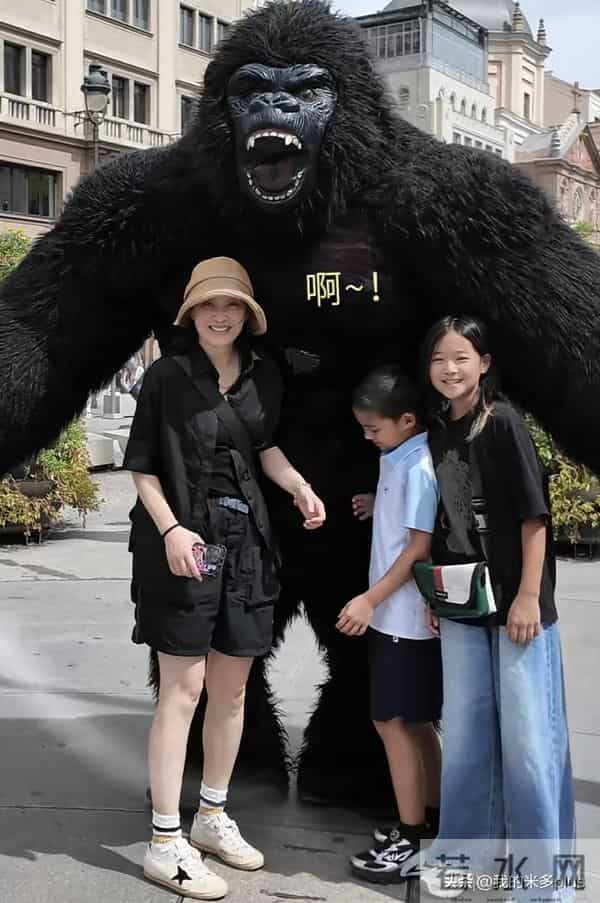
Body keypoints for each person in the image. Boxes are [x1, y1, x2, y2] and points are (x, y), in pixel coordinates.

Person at [123, 256, 326, 899]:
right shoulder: (166, 376)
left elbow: (261, 446)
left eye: (231, 304)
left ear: (247, 314)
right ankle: (163, 840)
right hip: (184, 542)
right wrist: (171, 531)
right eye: (209, 304)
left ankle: (211, 816)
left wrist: (298, 487)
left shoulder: (264, 376)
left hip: (247, 544)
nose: (220, 314)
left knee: (232, 691)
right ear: (192, 313)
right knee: (181, 692)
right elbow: (142, 465)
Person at [419, 316, 575, 902]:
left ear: (483, 364)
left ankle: (542, 884)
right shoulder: (438, 430)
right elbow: (444, 520)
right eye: (439, 359)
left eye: (461, 357)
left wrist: (529, 596)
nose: (450, 369)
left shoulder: (503, 422)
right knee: (466, 737)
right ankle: (465, 857)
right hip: (463, 604)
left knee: (530, 743)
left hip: (518, 607)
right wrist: (436, 595)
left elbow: (535, 518)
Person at [335, 365, 442, 884]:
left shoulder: (416, 466)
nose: (367, 437)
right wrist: (381, 505)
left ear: (407, 420)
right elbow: (411, 520)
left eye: (373, 429)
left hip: (399, 618)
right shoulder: (401, 457)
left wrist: (369, 601)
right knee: (416, 722)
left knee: (391, 722)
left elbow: (418, 548)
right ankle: (432, 820)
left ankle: (411, 835)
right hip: (402, 620)